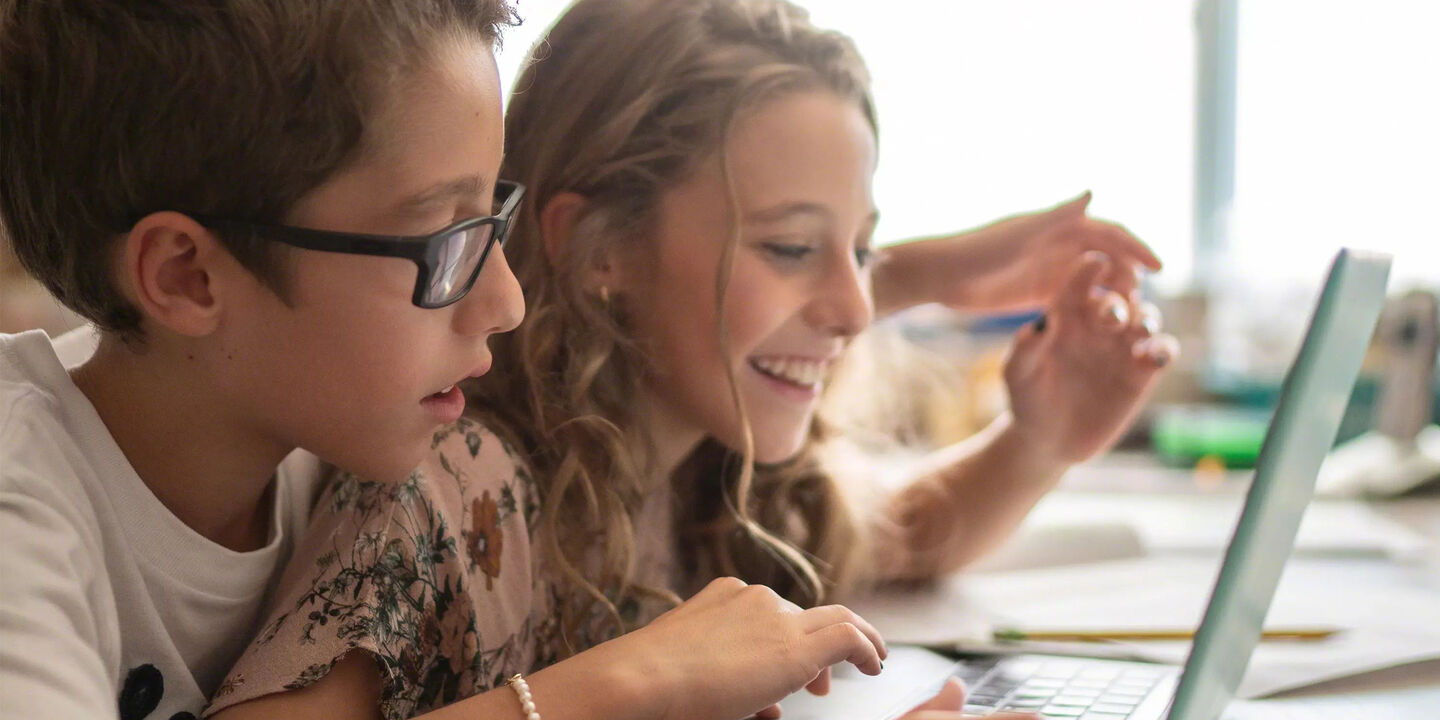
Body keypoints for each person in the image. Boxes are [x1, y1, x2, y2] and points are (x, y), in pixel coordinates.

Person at [203, 2, 1177, 720]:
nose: (853, 309)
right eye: (793, 248)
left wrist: (1043, 441)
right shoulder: (458, 484)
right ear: (602, 254)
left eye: (865, 251)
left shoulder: (709, 465)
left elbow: (909, 537)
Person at [0, 2, 525, 718]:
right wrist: (609, 691)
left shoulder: (338, 460)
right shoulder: (18, 512)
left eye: (491, 219)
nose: (506, 302)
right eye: (446, 240)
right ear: (188, 276)